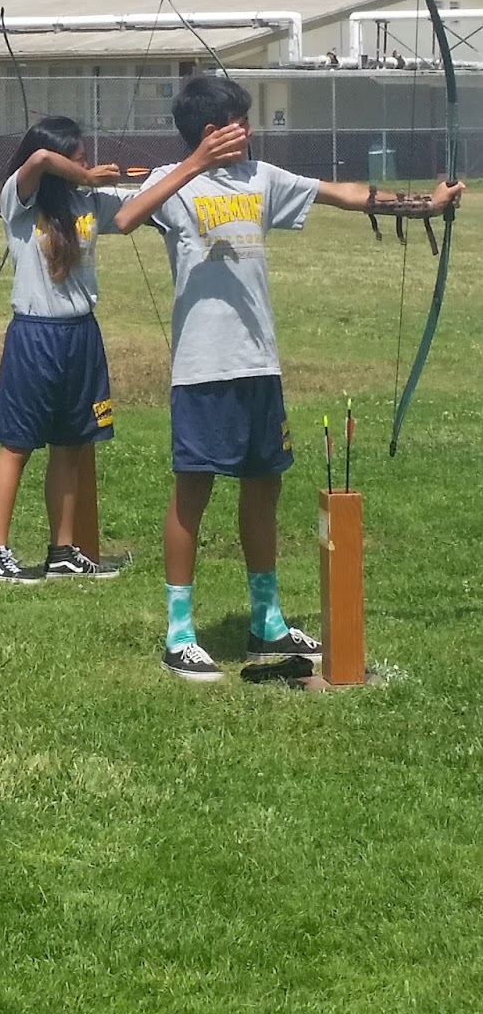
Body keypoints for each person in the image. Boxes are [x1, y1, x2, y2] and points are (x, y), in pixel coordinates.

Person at [113, 75, 464, 681]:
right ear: (210, 131)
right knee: (192, 490)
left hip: (259, 364)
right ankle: (179, 632)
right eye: (238, 123)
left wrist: (421, 206)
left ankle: (265, 619)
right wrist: (194, 164)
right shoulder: (173, 182)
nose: (248, 132)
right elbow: (124, 219)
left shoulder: (262, 179)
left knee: (263, 487)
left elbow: (344, 194)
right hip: (203, 368)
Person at [0, 113, 247, 584]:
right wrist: (81, 173)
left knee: (71, 445)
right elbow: (39, 158)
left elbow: (136, 208)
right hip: (35, 335)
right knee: (17, 445)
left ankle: (62, 549)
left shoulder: (87, 203)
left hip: (80, 334)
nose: (86, 165)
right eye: (78, 158)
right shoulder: (20, 200)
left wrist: (194, 167)